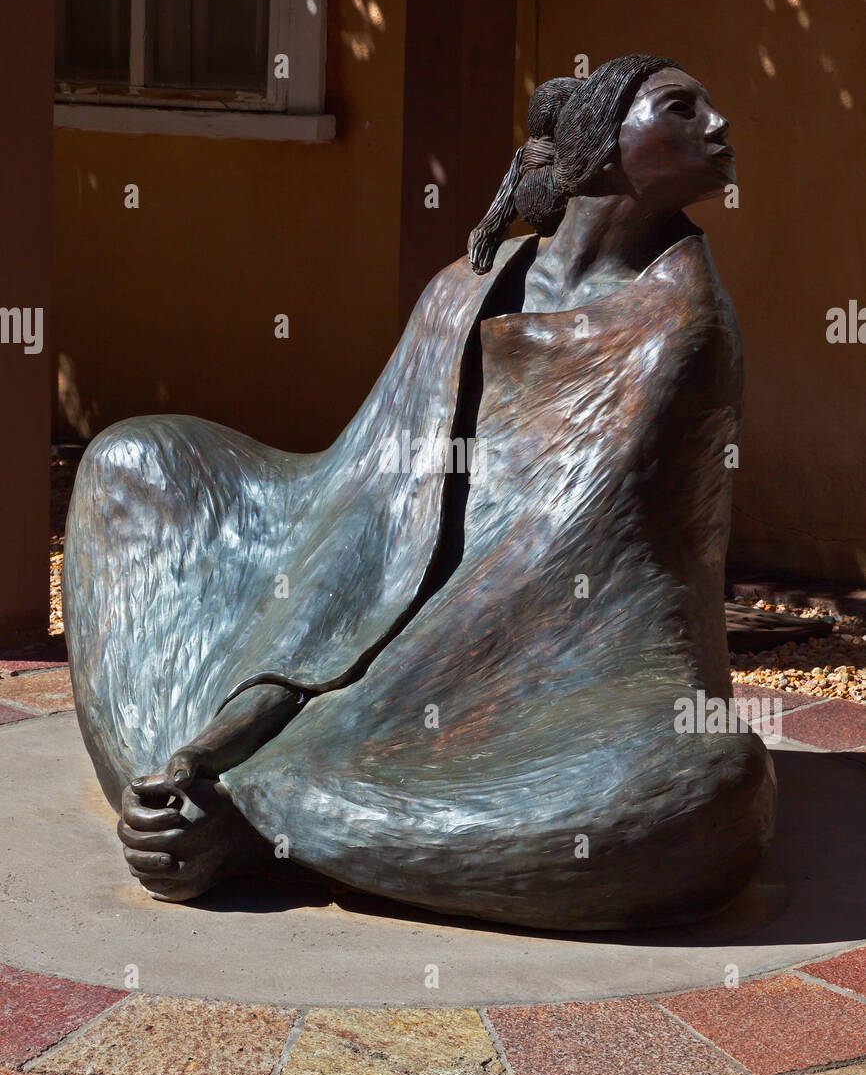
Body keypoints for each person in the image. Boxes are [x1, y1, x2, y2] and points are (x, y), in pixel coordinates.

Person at [64, 55, 776, 929]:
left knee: (706, 792)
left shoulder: (683, 330)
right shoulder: (464, 290)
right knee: (133, 461)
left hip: (549, 666)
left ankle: (261, 815)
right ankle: (171, 777)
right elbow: (368, 498)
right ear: (600, 151)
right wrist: (238, 719)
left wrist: (301, 731)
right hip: (359, 586)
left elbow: (553, 561)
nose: (718, 123)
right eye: (681, 108)